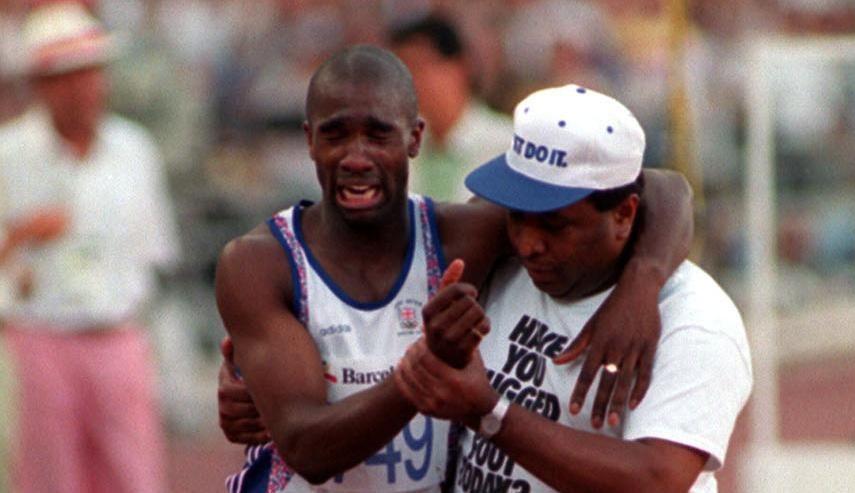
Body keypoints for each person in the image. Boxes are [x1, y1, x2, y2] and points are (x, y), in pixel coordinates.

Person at [215, 45, 693, 492]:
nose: (356, 158)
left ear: (415, 138)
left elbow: (663, 188)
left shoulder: (461, 236)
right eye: (335, 134)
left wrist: (640, 286)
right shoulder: (262, 262)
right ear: (309, 141)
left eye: (379, 134)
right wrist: (428, 368)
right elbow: (308, 449)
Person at [393, 85, 752, 493]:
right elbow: (669, 188)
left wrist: (490, 412)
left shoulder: (694, 320)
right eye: (516, 216)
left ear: (623, 214)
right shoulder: (502, 260)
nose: (528, 244)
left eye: (554, 225)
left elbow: (657, 478)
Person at [0, 3, 180, 492]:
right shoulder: (9, 155)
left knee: (134, 475)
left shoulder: (133, 150)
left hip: (119, 332)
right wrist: (19, 236)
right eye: (63, 76)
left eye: (88, 72)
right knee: (47, 478)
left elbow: (155, 252)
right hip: (38, 336)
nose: (81, 88)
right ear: (38, 84)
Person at [389, 14, 512, 202]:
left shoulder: (505, 144)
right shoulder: (400, 148)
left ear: (460, 66)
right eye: (402, 70)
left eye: (420, 66)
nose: (412, 80)